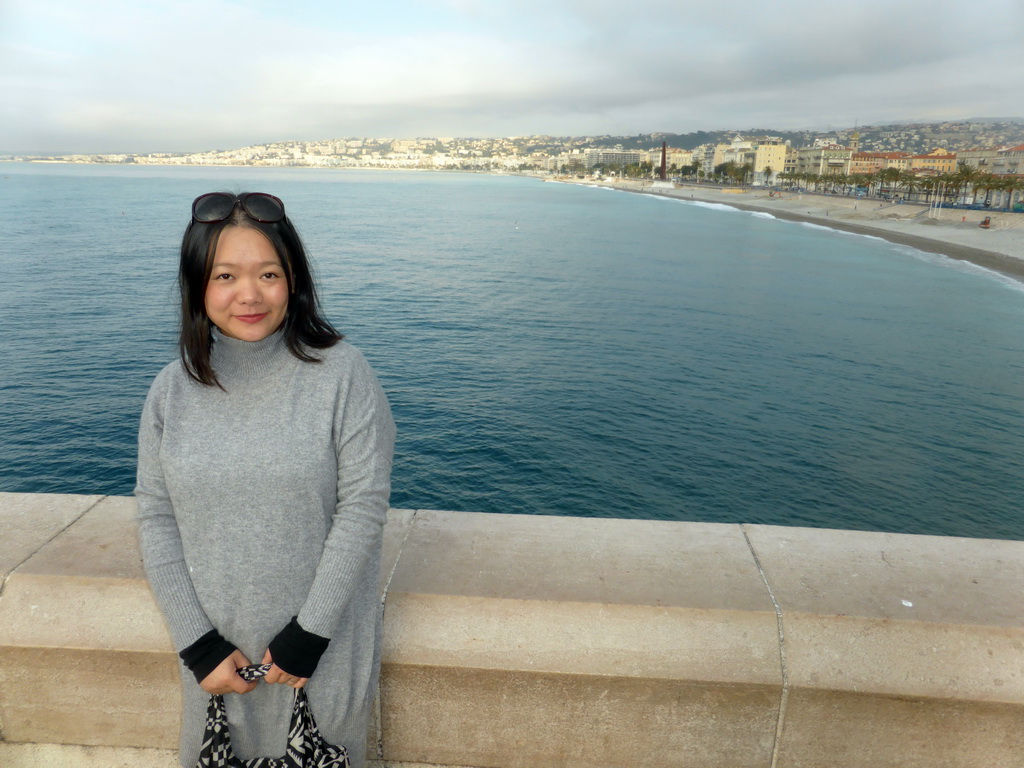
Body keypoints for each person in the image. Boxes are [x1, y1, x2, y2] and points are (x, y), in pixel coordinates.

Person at [135, 191, 395, 768]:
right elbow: (155, 516)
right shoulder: (170, 392)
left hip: (317, 662)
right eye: (225, 275)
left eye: (267, 274)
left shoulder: (342, 375)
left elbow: (363, 507)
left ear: (293, 280)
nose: (248, 294)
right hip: (213, 667)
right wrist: (197, 644)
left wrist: (310, 634)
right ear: (197, 285)